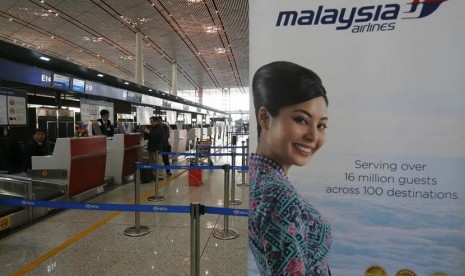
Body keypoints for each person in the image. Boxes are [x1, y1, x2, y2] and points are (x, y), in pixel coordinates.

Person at [249, 61, 332, 276]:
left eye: (321, 125)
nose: (313, 136)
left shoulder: (254, 177)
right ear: (265, 118)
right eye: (301, 120)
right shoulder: (279, 198)